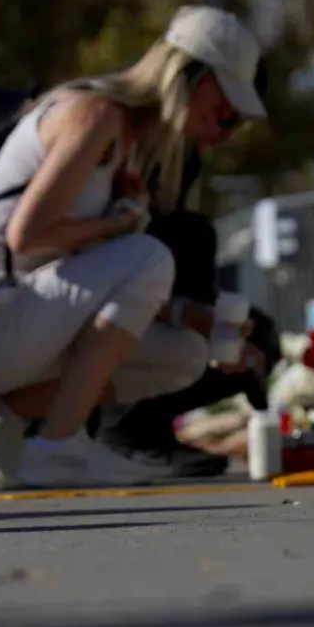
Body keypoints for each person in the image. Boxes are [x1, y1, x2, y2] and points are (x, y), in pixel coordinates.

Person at [0, 5, 267, 488]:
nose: (223, 131)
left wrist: (189, 316)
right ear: (189, 76)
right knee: (151, 255)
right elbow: (27, 235)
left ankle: (3, 413)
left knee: (184, 353)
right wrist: (116, 224)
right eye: (226, 112)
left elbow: (88, 280)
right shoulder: (95, 113)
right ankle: (60, 446)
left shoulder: (127, 147)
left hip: (10, 317)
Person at [91, 64, 281, 477]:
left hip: (147, 301)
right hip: (90, 304)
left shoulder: (184, 157)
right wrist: (185, 315)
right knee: (193, 236)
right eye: (225, 115)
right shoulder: (124, 134)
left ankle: (149, 427)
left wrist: (217, 325)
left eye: (238, 124)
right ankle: (121, 429)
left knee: (258, 338)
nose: (226, 133)